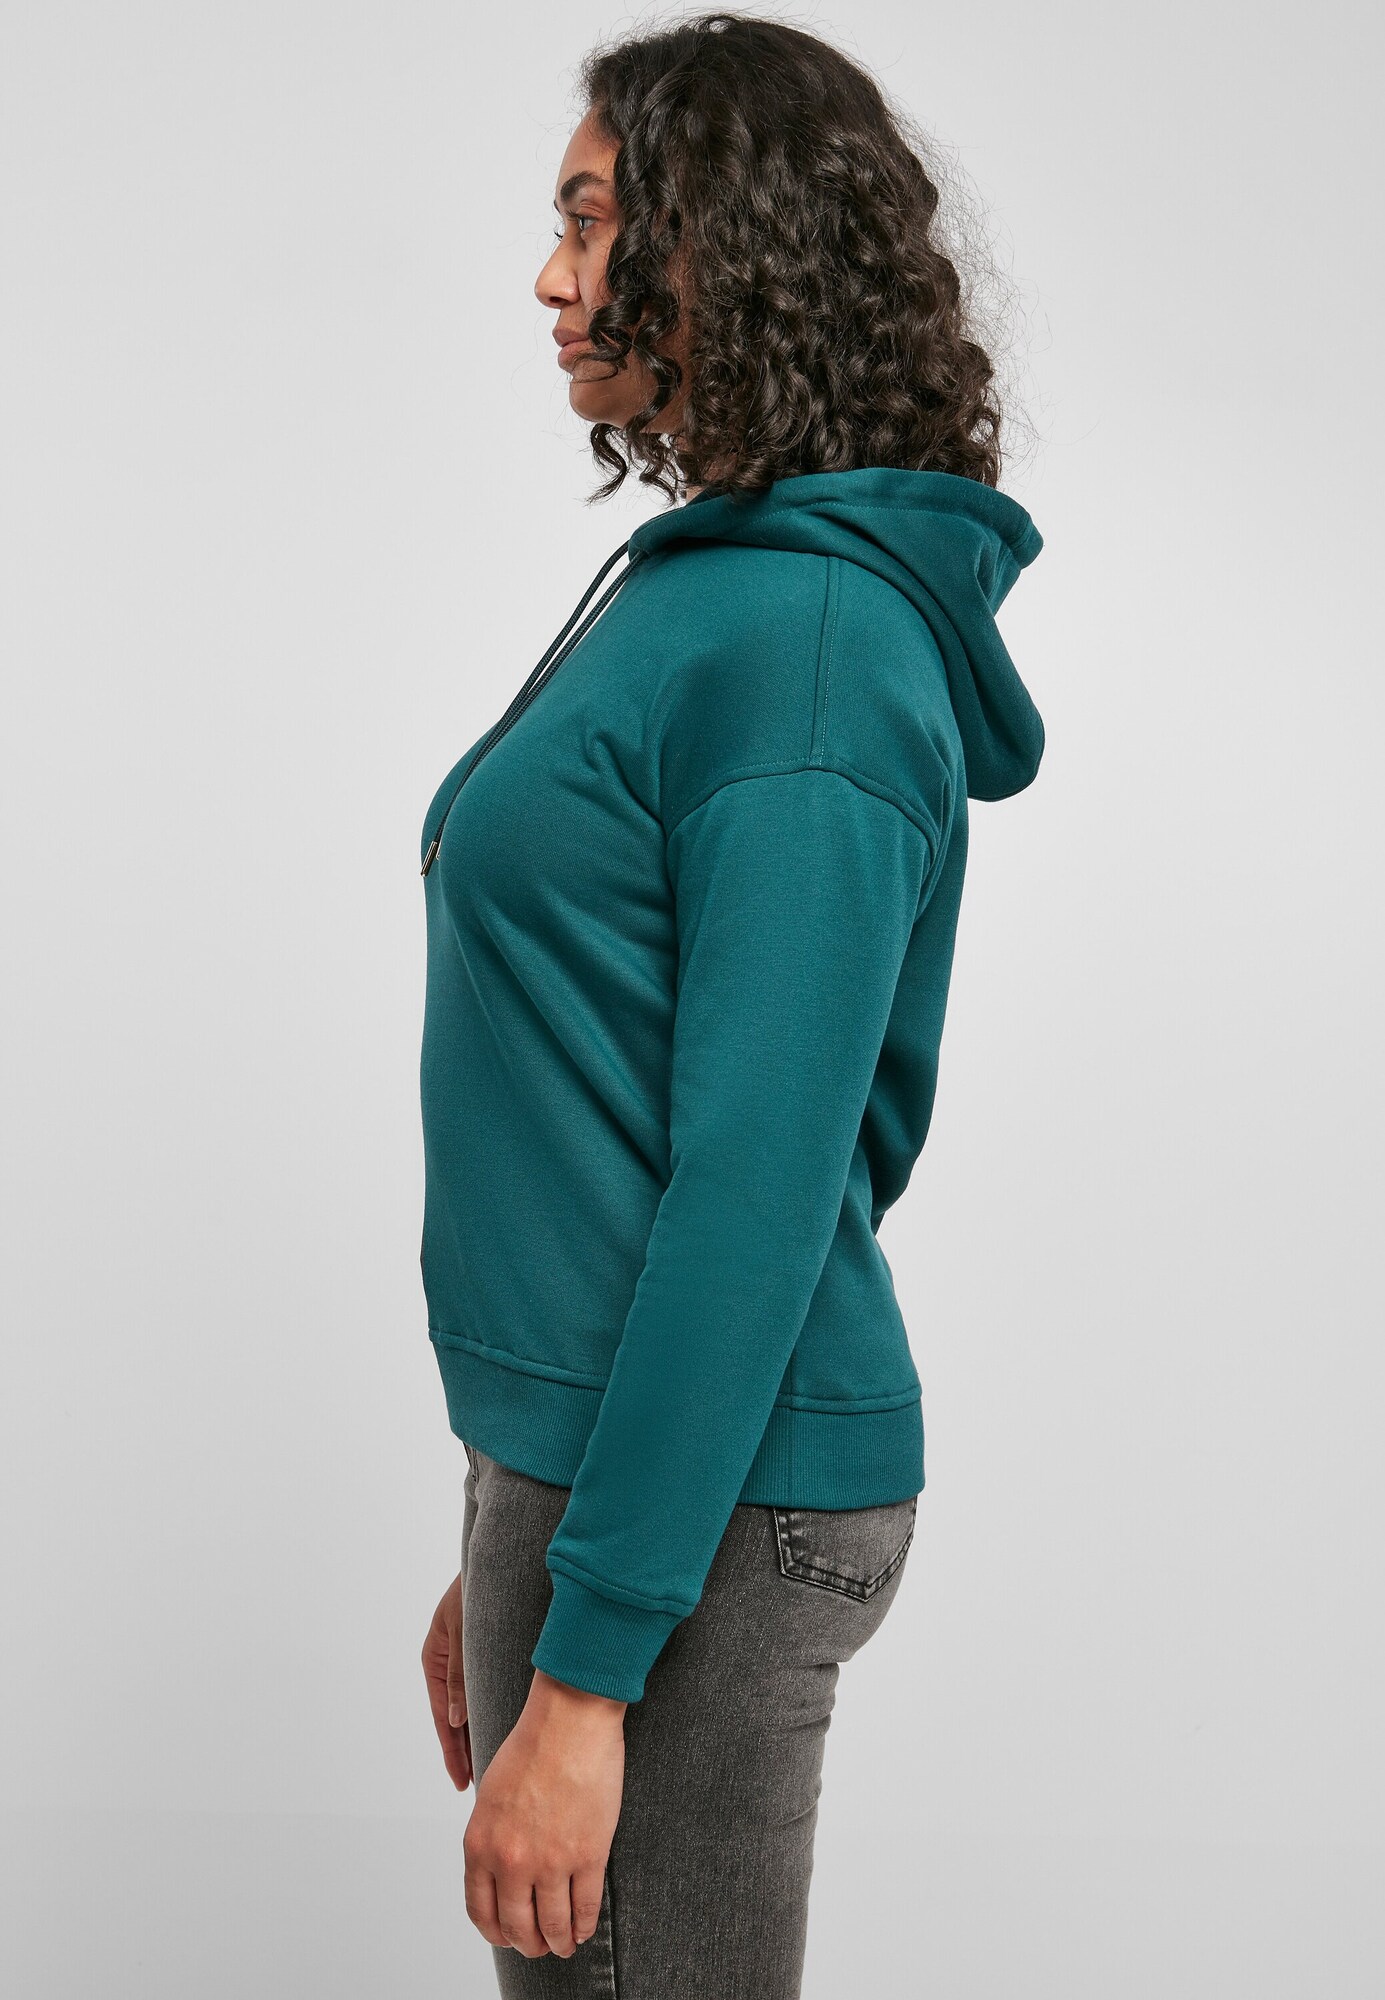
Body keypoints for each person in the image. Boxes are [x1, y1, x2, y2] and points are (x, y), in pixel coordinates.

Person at [418, 13, 1046, 1996]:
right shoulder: (702, 587)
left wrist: (592, 1654)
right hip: (616, 1476)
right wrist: (506, 1533)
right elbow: (614, 1097)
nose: (552, 277)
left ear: (729, 242)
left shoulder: (807, 641)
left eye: (592, 220)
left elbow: (766, 1183)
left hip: (709, 1508)